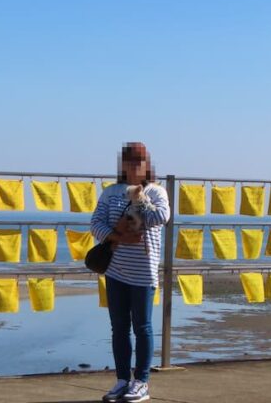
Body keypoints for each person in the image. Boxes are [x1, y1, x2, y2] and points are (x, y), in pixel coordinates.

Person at [91, 142, 170, 403]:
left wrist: (140, 199)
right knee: (119, 327)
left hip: (144, 272)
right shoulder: (111, 192)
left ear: (147, 165)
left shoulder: (156, 191)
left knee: (143, 327)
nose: (134, 166)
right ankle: (122, 380)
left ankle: (142, 382)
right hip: (116, 270)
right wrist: (118, 237)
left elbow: (161, 217)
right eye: (129, 161)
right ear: (122, 165)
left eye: (139, 161)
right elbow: (96, 223)